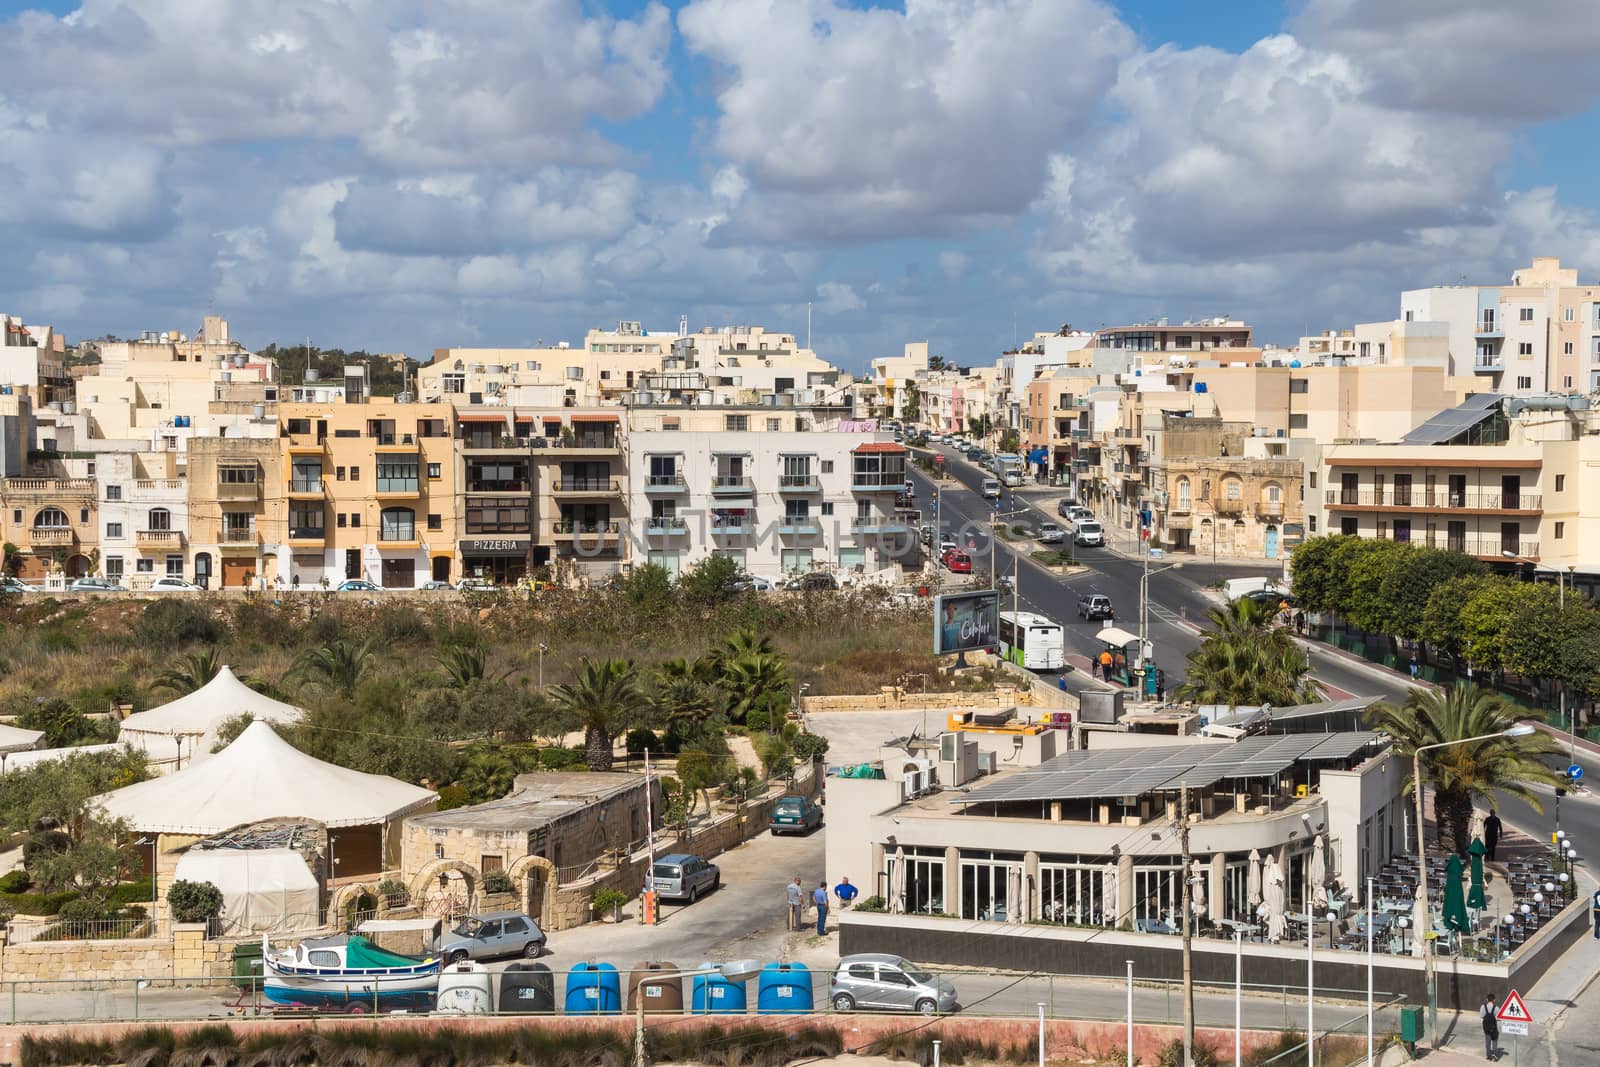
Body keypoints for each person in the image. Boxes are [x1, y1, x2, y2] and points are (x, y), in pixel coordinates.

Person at [1481, 993, 1500, 1060]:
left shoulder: (1483, 1007)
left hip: (1486, 1027)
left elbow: (1481, 1016)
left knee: (1487, 1041)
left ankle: (1488, 1055)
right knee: (1494, 1040)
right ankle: (1495, 1055)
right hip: (1494, 1027)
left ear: (1487, 999)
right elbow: (1498, 1018)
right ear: (1494, 1000)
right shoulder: (1496, 1008)